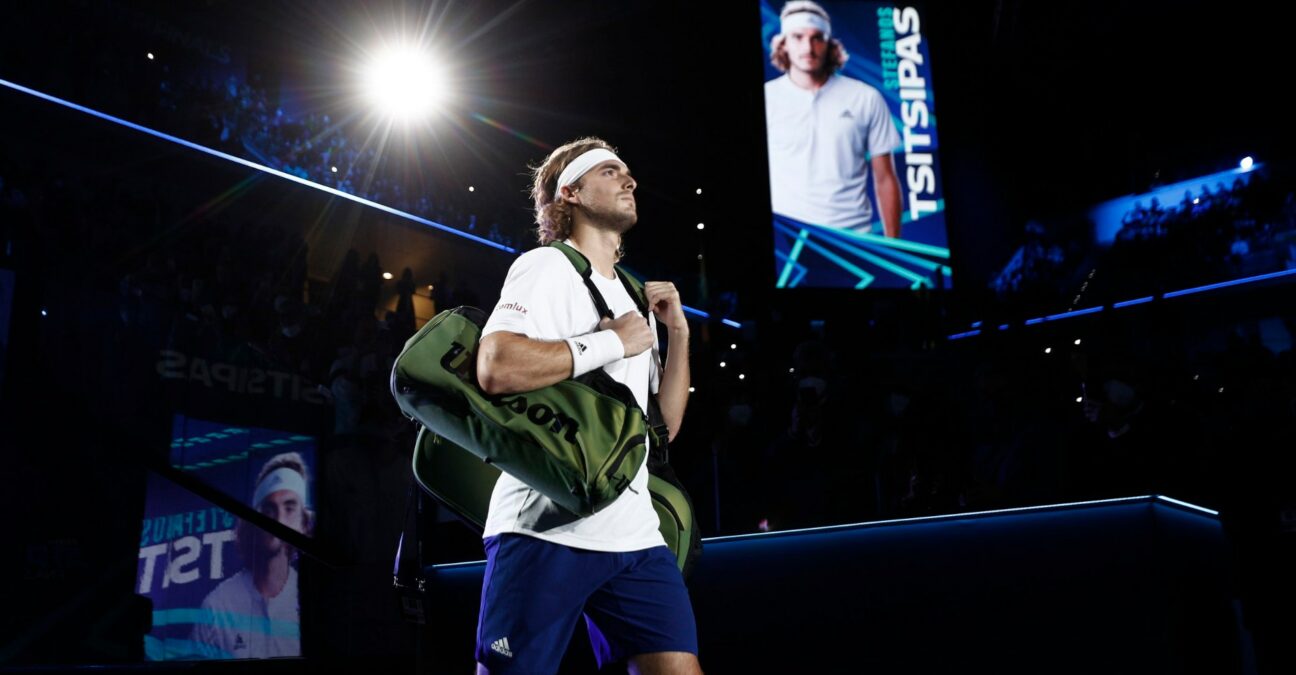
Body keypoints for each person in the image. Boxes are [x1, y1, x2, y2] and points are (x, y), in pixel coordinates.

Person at [473, 137, 700, 673]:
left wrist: (679, 335)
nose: (630, 179)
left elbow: (660, 428)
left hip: (635, 535)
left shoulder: (628, 292)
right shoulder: (547, 266)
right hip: (545, 529)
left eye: (628, 170)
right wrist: (611, 343)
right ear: (570, 192)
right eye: (610, 170)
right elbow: (495, 365)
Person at [765, 0, 903, 237]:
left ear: (829, 44)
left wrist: (893, 247)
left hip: (855, 238)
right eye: (798, 37)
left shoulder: (865, 97)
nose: (808, 47)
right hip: (787, 240)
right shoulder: (768, 98)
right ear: (784, 44)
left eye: (817, 37)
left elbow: (885, 178)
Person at [191, 452, 313, 659]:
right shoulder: (217, 607)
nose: (279, 519)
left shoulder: (313, 601)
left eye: (289, 508)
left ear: (303, 522)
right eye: (269, 509)